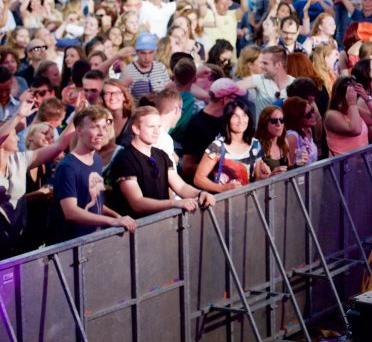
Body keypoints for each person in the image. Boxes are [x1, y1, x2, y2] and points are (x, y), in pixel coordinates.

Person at [0, 93, 75, 257]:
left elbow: (58, 145)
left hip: (19, 241)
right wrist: (19, 115)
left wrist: (78, 116)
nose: (18, 138)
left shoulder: (21, 159)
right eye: (14, 134)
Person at [107, 106, 216, 218]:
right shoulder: (124, 159)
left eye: (159, 126)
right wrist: (174, 203)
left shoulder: (161, 155)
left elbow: (181, 187)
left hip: (162, 224)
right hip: (138, 226)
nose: (157, 131)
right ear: (136, 129)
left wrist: (200, 193)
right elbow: (137, 203)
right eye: (151, 127)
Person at [51, 106, 137, 241]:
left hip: (94, 240)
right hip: (72, 245)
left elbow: (96, 201)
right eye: (95, 127)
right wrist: (111, 221)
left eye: (104, 127)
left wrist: (117, 216)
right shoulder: (67, 166)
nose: (101, 133)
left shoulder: (97, 160)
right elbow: (71, 212)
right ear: (79, 130)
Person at [193, 100, 263, 193]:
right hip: (225, 200)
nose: (241, 120)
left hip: (249, 200)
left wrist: (271, 175)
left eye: (244, 115)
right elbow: (198, 179)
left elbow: (258, 178)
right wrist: (223, 188)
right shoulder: (217, 147)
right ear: (227, 119)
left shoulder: (255, 145)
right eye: (235, 116)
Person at [121, 32, 171, 99]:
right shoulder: (128, 71)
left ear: (155, 52)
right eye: (143, 53)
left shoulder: (161, 68)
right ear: (137, 52)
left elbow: (169, 92)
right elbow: (124, 97)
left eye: (150, 53)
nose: (147, 57)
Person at [255, 105, 293, 175]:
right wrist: (271, 176)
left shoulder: (284, 142)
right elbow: (256, 178)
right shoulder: (257, 146)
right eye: (274, 121)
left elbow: (289, 169)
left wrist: (299, 164)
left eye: (282, 120)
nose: (279, 124)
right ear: (265, 123)